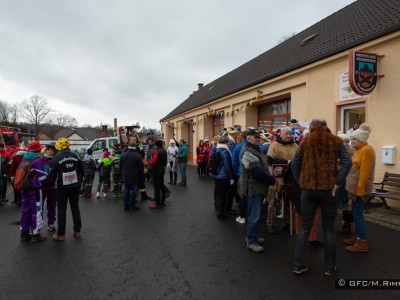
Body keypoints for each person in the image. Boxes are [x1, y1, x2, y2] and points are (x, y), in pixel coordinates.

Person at [291, 118, 352, 275]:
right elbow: (347, 162)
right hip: (328, 190)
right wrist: (338, 182)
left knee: (304, 227)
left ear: (312, 127)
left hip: (308, 190)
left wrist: (300, 181)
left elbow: (294, 163)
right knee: (329, 229)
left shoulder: (306, 140)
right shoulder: (336, 140)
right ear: (326, 127)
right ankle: (330, 268)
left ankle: (298, 265)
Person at [239, 129, 276, 253]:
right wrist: (272, 179)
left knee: (254, 215)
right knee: (254, 216)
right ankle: (251, 241)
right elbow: (256, 172)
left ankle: (252, 236)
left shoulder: (256, 149)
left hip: (258, 188)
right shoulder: (247, 151)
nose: (258, 139)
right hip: (253, 189)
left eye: (258, 137)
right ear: (249, 138)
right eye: (255, 137)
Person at [343, 123, 375, 252]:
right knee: (356, 213)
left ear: (361, 139)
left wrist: (360, 189)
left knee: (358, 214)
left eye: (354, 139)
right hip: (354, 188)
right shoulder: (359, 150)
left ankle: (362, 242)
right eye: (351, 139)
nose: (352, 141)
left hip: (358, 189)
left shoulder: (367, 150)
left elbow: (365, 172)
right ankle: (357, 237)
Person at [50, 138, 84, 241]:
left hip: (62, 188)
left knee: (61, 210)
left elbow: (52, 175)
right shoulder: (76, 155)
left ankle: (61, 234)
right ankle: (77, 231)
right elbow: (82, 170)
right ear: (68, 146)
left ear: (59, 148)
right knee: (75, 208)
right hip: (75, 186)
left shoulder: (56, 158)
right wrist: (79, 181)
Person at [266, 126, 298, 234]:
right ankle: (271, 224)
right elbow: (270, 160)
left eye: (290, 133)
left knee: (289, 203)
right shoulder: (274, 145)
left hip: (290, 180)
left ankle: (287, 223)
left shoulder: (295, 146)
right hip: (276, 180)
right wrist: (287, 162)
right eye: (286, 134)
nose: (289, 136)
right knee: (273, 202)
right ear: (281, 134)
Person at [19, 141, 48, 242]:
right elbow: (42, 177)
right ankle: (36, 234)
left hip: (24, 188)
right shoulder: (37, 160)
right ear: (39, 149)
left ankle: (24, 233)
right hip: (35, 189)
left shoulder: (24, 159)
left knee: (25, 210)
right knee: (37, 210)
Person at [213, 135, 235, 219]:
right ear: (226, 142)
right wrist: (231, 177)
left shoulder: (217, 149)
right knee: (223, 195)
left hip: (218, 175)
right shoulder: (225, 151)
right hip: (224, 176)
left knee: (219, 194)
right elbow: (227, 166)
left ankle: (219, 211)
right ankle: (221, 213)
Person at [120, 143, 144, 211]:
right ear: (135, 148)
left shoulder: (123, 155)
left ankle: (125, 206)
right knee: (134, 191)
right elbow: (141, 168)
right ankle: (132, 205)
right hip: (135, 176)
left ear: (128, 147)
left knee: (126, 190)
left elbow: (120, 165)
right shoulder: (137, 156)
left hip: (125, 176)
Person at [232, 130, 248, 224]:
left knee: (242, 194)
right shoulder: (256, 147)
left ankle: (242, 216)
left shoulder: (238, 147)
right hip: (253, 175)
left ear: (242, 137)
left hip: (241, 173)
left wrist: (236, 173)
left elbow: (234, 162)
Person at [41, 143, 57, 231]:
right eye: (48, 150)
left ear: (55, 152)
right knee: (39, 206)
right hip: (42, 187)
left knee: (52, 206)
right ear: (46, 150)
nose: (50, 152)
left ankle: (50, 223)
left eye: (52, 151)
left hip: (53, 187)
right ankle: (38, 224)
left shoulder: (56, 160)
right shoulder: (41, 160)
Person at [149, 140, 168, 208]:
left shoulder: (157, 151)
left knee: (157, 187)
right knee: (161, 185)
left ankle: (157, 203)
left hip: (156, 171)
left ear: (157, 145)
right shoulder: (164, 150)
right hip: (162, 170)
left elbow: (153, 162)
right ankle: (162, 200)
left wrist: (149, 162)